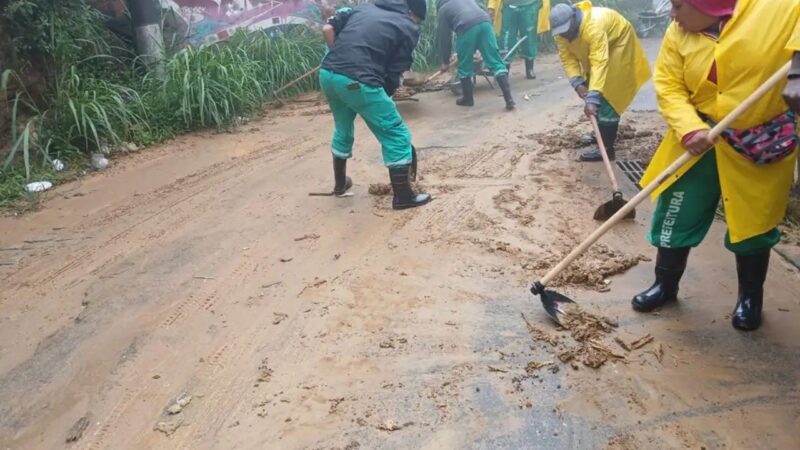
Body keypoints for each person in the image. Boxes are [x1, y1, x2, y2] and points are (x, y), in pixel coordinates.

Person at [632, 0, 800, 331]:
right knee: (676, 210)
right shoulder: (677, 33)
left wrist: (797, 70)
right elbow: (668, 85)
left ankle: (750, 299)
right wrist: (688, 127)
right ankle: (665, 286)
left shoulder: (778, 8)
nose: (672, 14)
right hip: (698, 141)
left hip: (758, 140)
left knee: (754, 223)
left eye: (679, 6)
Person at [320, 0, 431, 210]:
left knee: (342, 128)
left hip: (328, 75)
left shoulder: (364, 8)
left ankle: (340, 184)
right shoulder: (407, 26)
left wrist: (341, 61)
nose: (416, 23)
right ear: (410, 12)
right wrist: (384, 95)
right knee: (395, 133)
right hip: (357, 81)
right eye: (417, 19)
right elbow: (396, 69)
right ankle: (403, 196)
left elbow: (327, 28)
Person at [549, 1, 651, 162]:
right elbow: (568, 59)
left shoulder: (593, 26)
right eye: (561, 32)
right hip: (600, 51)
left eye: (566, 31)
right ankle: (602, 134)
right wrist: (577, 83)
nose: (565, 35)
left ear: (574, 17)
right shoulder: (562, 34)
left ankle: (607, 149)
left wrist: (593, 97)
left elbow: (599, 61)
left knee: (609, 95)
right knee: (592, 87)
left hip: (619, 44)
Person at [437, 0, 515, 110]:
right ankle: (509, 99)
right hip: (485, 22)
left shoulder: (443, 9)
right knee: (495, 61)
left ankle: (468, 99)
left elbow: (445, 38)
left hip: (465, 26)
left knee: (464, 65)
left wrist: (445, 62)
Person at [487, 0, 549, 79]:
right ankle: (505, 70)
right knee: (506, 38)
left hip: (530, 6)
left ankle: (529, 68)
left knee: (529, 38)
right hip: (509, 7)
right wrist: (491, 6)